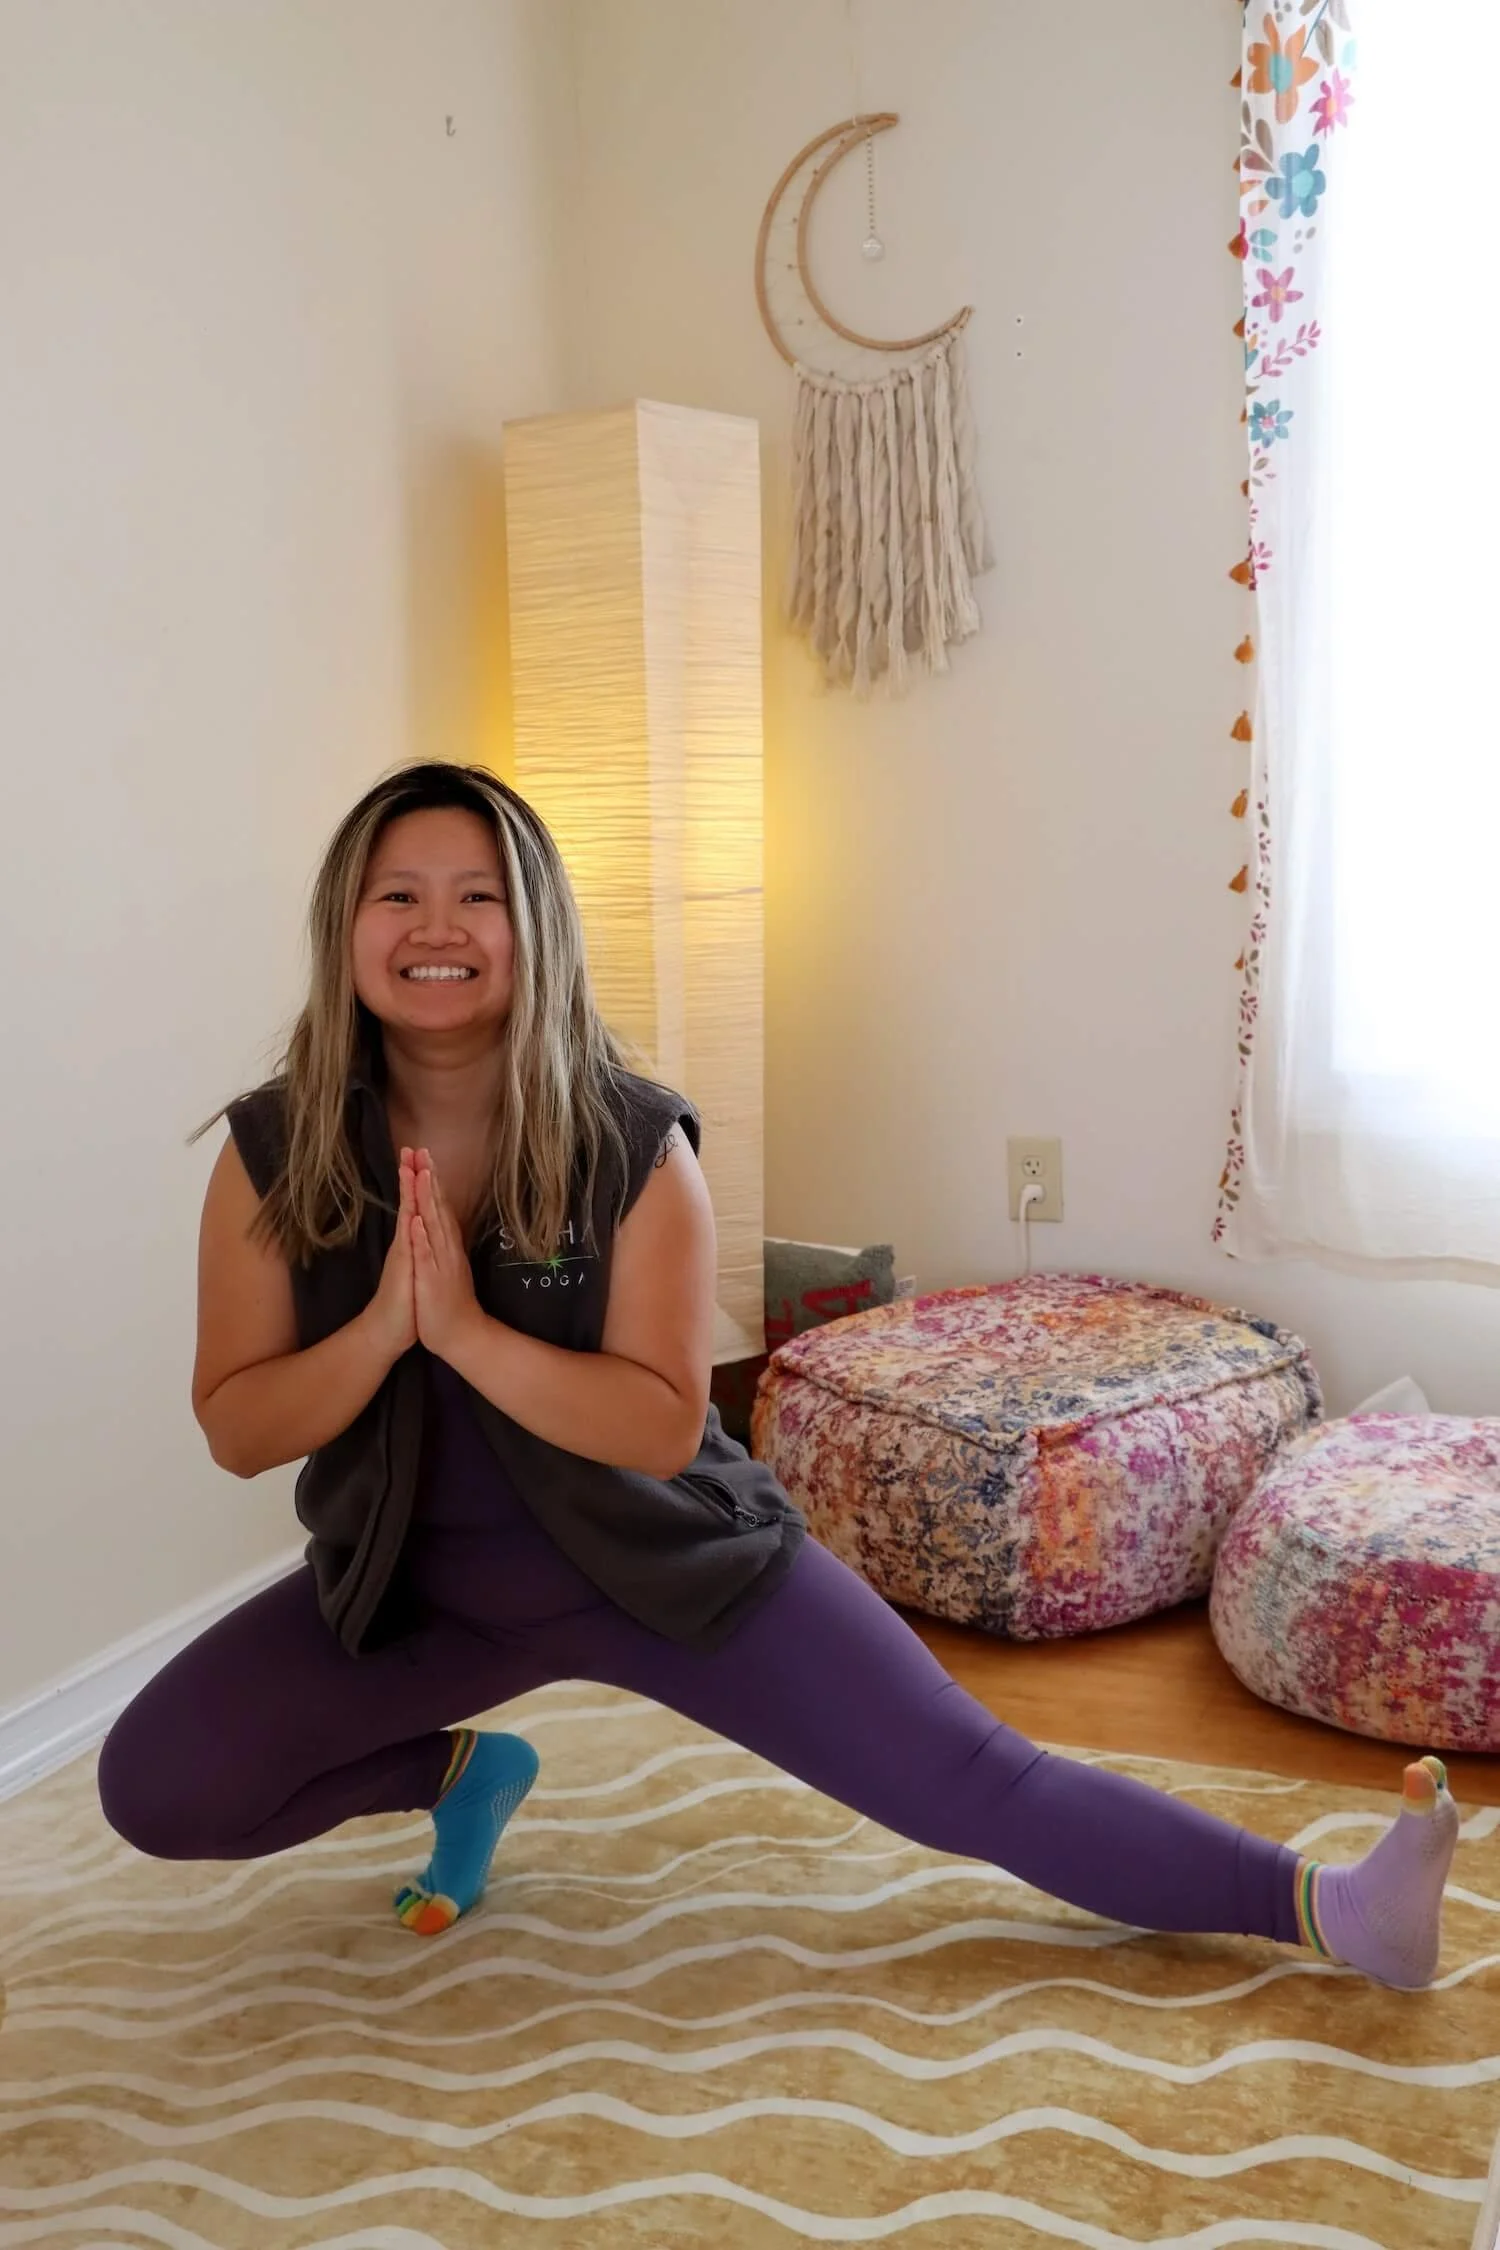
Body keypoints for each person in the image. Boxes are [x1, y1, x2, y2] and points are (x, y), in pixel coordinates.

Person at [99, 760, 1459, 1990]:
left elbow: (651, 1422)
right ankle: (463, 1770)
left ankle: (1331, 1903)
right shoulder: (274, 1151)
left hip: (669, 1573)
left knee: (974, 1778)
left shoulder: (636, 1145)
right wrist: (385, 1325)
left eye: (477, 893)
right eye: (398, 893)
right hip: (412, 1595)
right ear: (347, 929)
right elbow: (237, 1422)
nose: (437, 926)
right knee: (158, 1783)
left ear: (536, 930)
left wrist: (461, 1332)